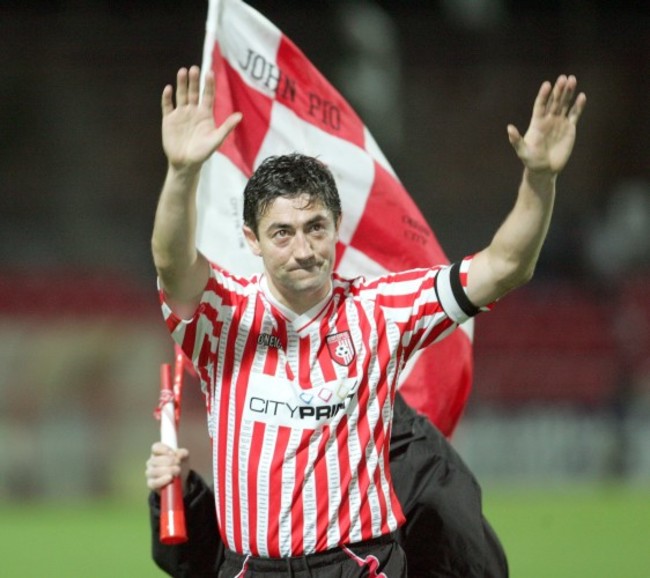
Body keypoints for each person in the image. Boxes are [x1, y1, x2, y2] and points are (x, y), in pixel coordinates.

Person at [151, 64, 585, 576]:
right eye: (282, 232)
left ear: (338, 227)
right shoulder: (222, 318)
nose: (304, 249)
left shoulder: (379, 310)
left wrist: (540, 177)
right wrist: (181, 174)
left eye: (316, 227)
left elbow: (505, 267)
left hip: (359, 565)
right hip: (250, 569)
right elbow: (171, 261)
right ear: (252, 240)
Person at [146, 391, 509, 577]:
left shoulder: (404, 451)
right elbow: (210, 566)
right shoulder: (252, 424)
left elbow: (467, 561)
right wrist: (181, 496)